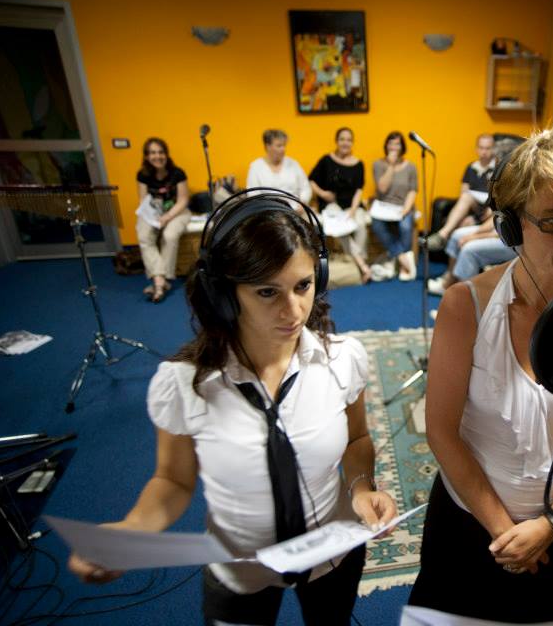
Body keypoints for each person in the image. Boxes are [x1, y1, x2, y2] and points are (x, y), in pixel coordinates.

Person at [68, 193, 397, 626]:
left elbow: (357, 439)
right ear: (224, 294)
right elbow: (172, 481)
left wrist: (361, 489)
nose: (294, 310)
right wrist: (132, 530)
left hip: (332, 552)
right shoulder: (185, 384)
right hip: (240, 565)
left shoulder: (343, 359)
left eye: (303, 285)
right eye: (267, 292)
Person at [408, 125, 553, 622]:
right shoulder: (465, 306)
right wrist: (504, 531)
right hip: (472, 526)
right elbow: (441, 431)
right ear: (511, 226)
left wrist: (551, 526)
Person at [308, 127, 370, 282]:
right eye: (342, 139)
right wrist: (323, 194)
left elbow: (359, 190)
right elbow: (311, 180)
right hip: (332, 206)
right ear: (336, 141)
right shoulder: (326, 160)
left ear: (352, 143)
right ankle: (362, 266)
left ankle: (357, 264)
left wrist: (353, 210)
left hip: (352, 205)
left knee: (361, 225)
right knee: (341, 227)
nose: (345, 143)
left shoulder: (359, 164)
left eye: (349, 140)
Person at [135, 137, 191, 303]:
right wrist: (153, 217)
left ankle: (160, 282)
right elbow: (143, 200)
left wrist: (167, 217)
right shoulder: (142, 175)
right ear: (147, 156)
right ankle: (160, 280)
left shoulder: (177, 173)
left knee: (169, 235)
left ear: (166, 154)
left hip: (177, 211)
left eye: (161, 152)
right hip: (153, 212)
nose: (157, 156)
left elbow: (183, 200)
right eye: (153, 153)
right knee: (144, 235)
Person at [425, 134, 497, 252]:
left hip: (491, 210)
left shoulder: (499, 167)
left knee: (465, 216)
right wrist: (470, 216)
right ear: (476, 149)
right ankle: (444, 239)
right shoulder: (471, 167)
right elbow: (464, 192)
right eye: (481, 148)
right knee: (465, 199)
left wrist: (493, 207)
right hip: (474, 209)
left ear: (493, 149)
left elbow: (503, 195)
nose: (484, 152)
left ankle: (442, 235)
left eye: (487, 148)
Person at [369, 131, 418, 282]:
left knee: (405, 226)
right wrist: (391, 165)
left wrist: (406, 209)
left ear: (402, 147)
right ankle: (401, 257)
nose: (394, 147)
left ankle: (399, 263)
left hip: (403, 206)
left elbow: (413, 191)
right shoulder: (378, 164)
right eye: (391, 143)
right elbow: (382, 188)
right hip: (383, 206)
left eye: (397, 144)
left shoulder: (411, 167)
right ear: (386, 146)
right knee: (376, 225)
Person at [247, 129, 313, 208]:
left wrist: (302, 203)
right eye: (279, 146)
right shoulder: (256, 166)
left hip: (294, 210)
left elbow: (305, 188)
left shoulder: (293, 164)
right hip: (267, 211)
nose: (283, 149)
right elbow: (253, 194)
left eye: (284, 145)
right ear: (268, 146)